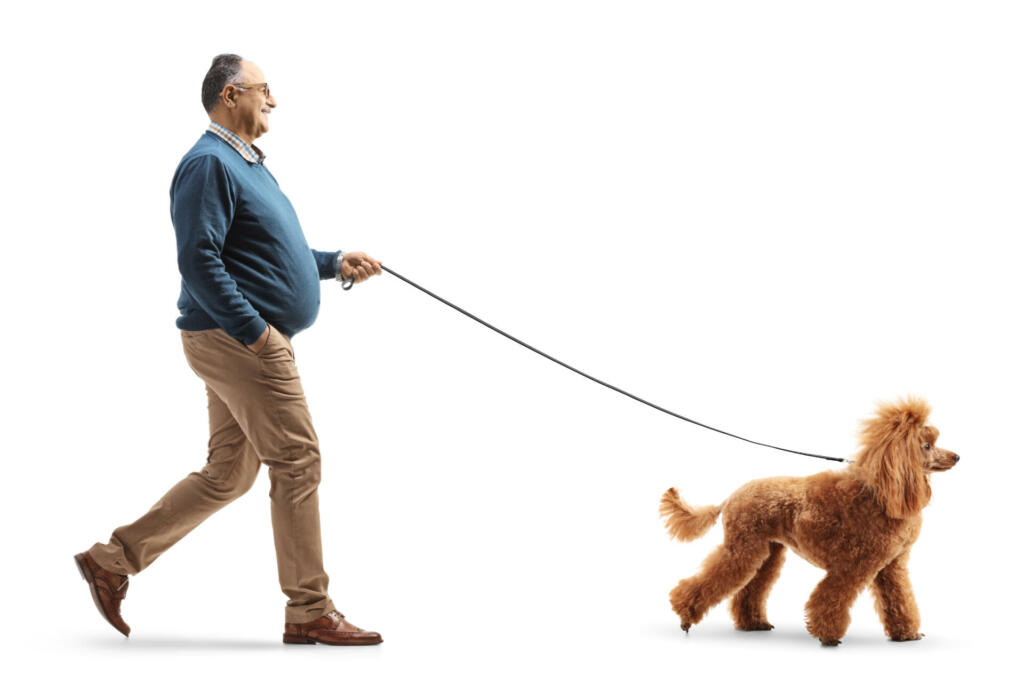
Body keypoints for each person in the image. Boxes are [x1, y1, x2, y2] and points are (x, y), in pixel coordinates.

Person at [75, 54, 384, 646]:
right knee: (298, 461)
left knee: (228, 475)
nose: (273, 101)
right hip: (238, 342)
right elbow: (199, 259)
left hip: (234, 339)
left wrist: (330, 263)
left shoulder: (244, 164)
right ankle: (309, 609)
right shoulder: (208, 164)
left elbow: (266, 250)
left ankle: (113, 561)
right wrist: (255, 333)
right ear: (231, 94)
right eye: (265, 90)